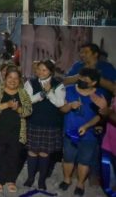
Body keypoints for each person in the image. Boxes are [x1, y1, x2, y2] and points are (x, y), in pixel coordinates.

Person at [59, 68, 104, 196]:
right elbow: (61, 109)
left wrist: (87, 126)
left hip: (88, 134)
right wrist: (70, 106)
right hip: (69, 131)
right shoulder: (69, 90)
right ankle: (67, 179)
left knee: (85, 160)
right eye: (80, 78)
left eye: (85, 80)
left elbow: (99, 116)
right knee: (68, 157)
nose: (81, 81)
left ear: (94, 83)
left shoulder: (98, 95)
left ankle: (80, 183)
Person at [23, 59, 66, 190]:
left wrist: (50, 92)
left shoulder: (58, 84)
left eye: (44, 70)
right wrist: (41, 94)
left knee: (44, 153)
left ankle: (42, 180)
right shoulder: (30, 82)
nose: (41, 72)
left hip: (50, 124)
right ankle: (30, 178)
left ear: (51, 71)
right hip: (34, 122)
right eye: (39, 69)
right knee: (32, 152)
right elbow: (26, 100)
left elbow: (60, 103)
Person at [0, 68, 32, 193]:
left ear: (20, 80)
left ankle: (10, 180)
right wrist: (7, 105)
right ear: (5, 78)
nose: (12, 81)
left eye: (16, 78)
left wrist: (18, 108)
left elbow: (28, 111)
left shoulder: (23, 93)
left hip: (17, 131)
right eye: (10, 78)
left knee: (14, 156)